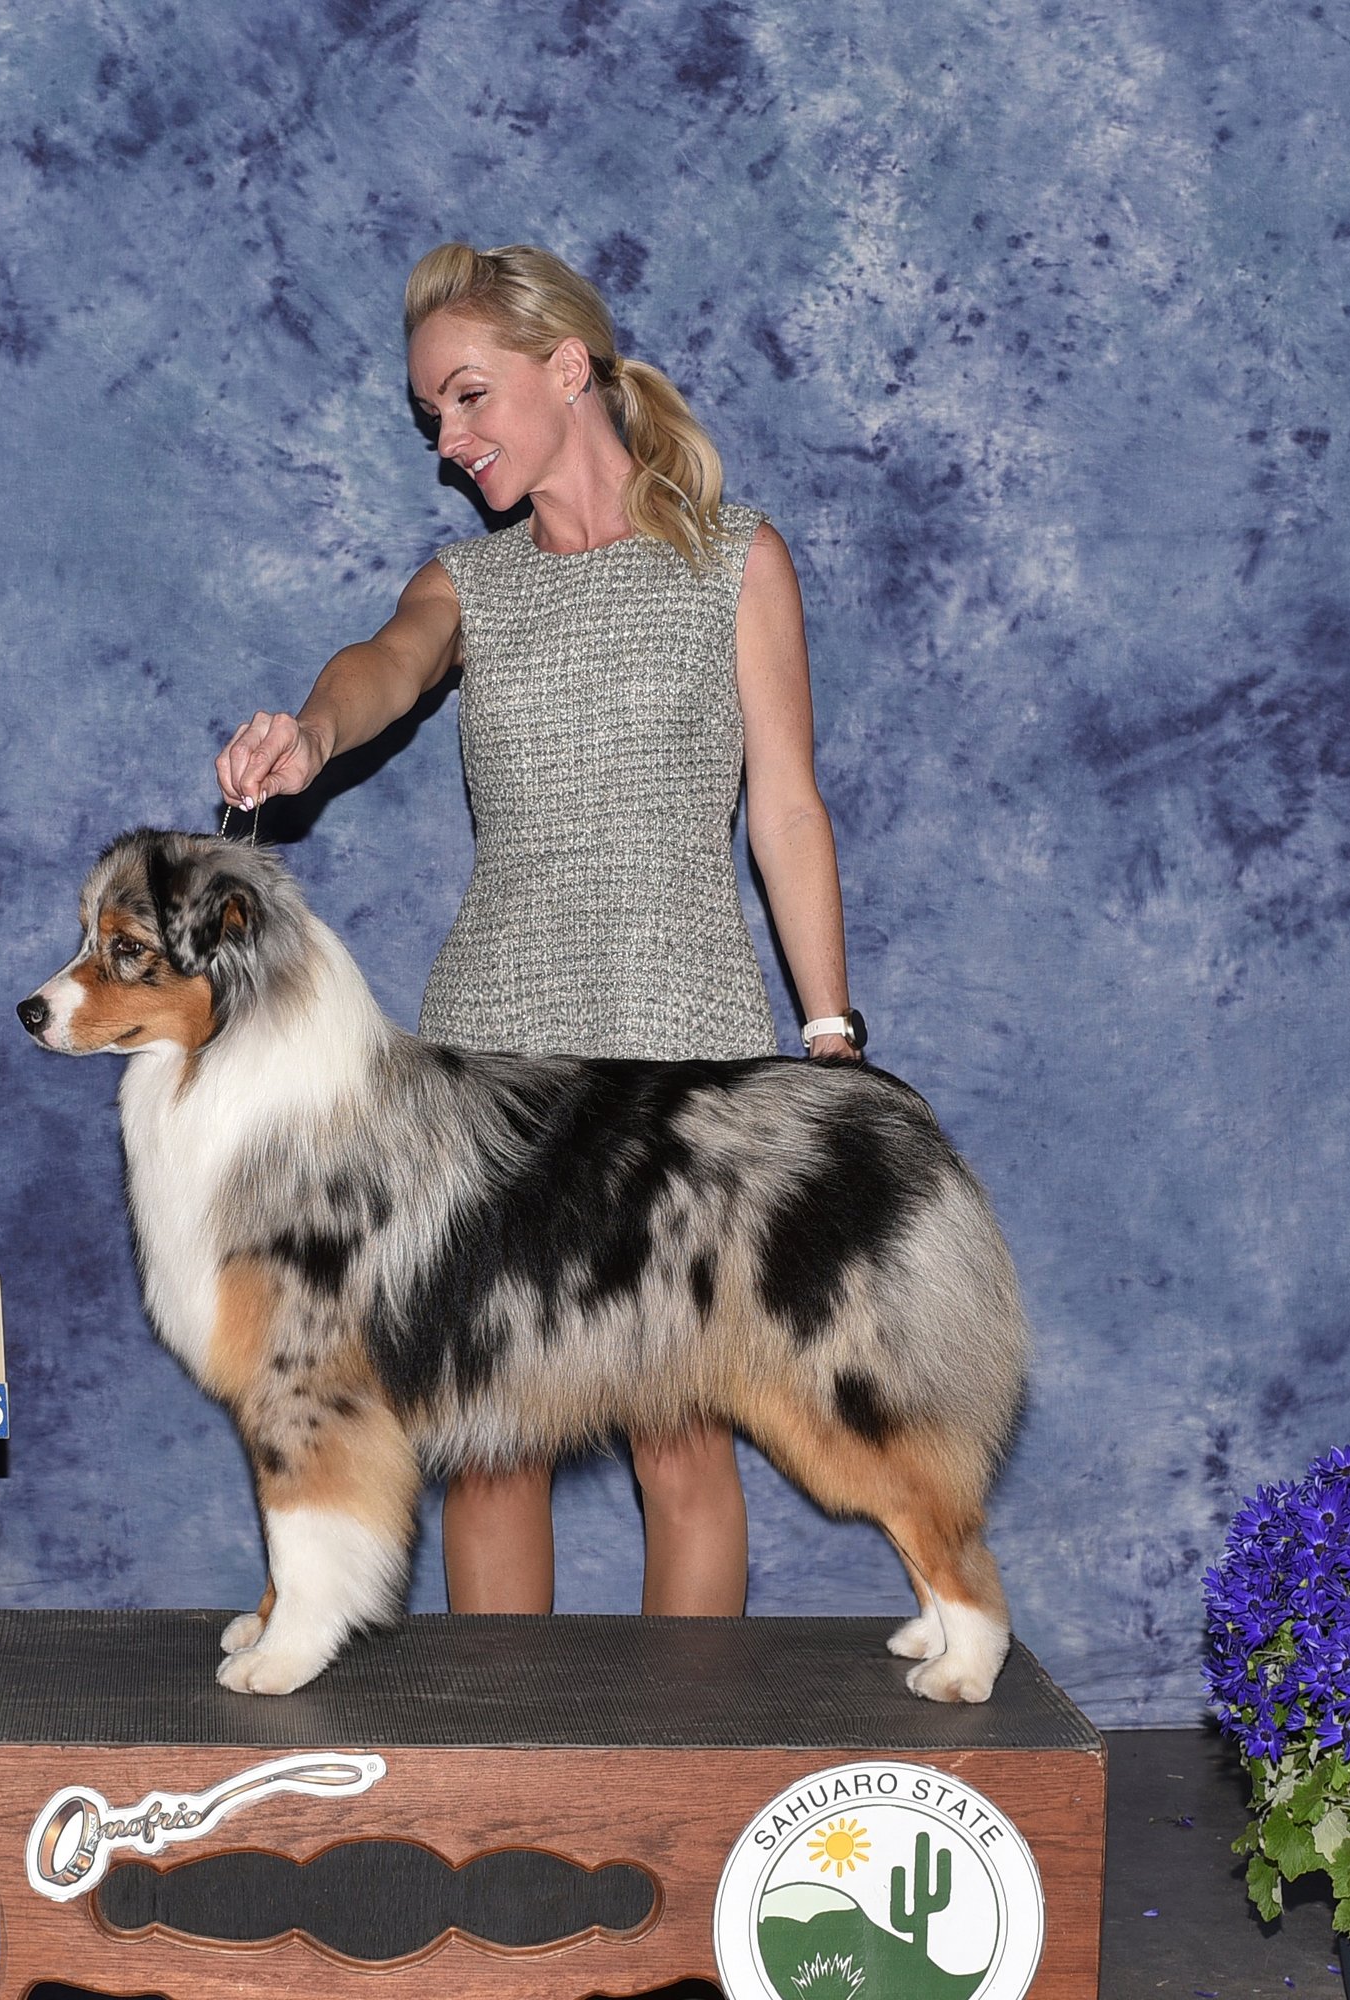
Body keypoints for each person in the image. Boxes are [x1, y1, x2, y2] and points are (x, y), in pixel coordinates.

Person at [215, 241, 861, 1621]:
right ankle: (506, 1745)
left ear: (567, 368)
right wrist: (312, 729)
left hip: (684, 1048)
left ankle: (682, 1744)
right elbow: (383, 666)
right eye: (430, 415)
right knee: (489, 1437)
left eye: (469, 397)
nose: (450, 441)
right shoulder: (469, 582)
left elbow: (788, 809)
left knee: (682, 1441)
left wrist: (829, 1034)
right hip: (493, 1056)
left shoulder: (737, 561)